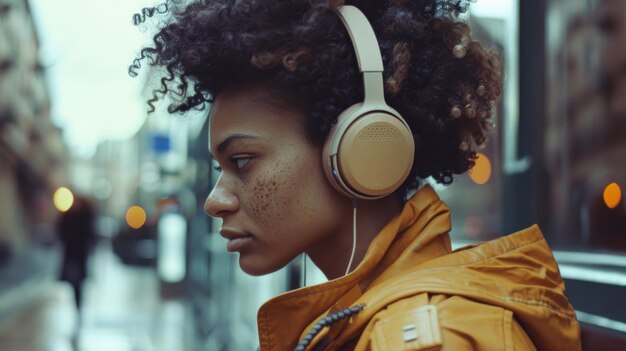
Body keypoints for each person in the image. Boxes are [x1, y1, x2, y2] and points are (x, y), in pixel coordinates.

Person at [130, 0, 581, 349]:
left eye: (242, 162)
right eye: (219, 169)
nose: (214, 200)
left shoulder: (430, 339)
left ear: (356, 150)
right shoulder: (374, 318)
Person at [57, 195, 96, 311]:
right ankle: (76, 303)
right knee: (73, 280)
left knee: (77, 282)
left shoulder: (85, 217)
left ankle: (78, 304)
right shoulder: (68, 216)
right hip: (71, 253)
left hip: (80, 254)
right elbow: (60, 230)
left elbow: (90, 234)